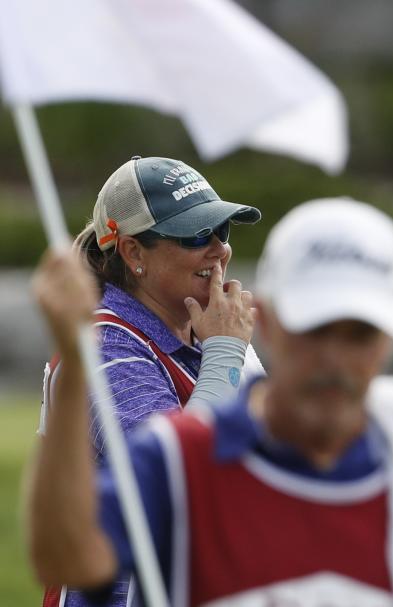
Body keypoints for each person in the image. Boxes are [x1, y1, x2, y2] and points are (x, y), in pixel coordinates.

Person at [27, 198, 393, 606]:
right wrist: (74, 365)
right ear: (264, 322)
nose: (334, 359)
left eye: (360, 334)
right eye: (314, 329)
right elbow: (66, 556)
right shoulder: (173, 453)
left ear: (392, 339)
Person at [37, 156, 264, 607]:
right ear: (132, 252)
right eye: (196, 234)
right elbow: (176, 486)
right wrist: (226, 355)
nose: (218, 249)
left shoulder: (208, 328)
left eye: (223, 231)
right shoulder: (103, 346)